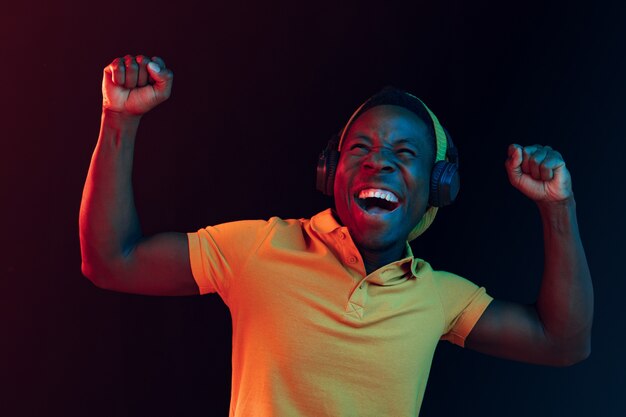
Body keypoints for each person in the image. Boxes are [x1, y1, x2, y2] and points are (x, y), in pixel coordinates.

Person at [80, 55, 594, 417]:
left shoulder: (439, 297)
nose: (379, 161)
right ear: (332, 173)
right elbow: (111, 261)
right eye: (360, 149)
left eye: (405, 154)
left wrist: (558, 208)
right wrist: (119, 120)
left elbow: (563, 344)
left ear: (438, 186)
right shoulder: (257, 248)